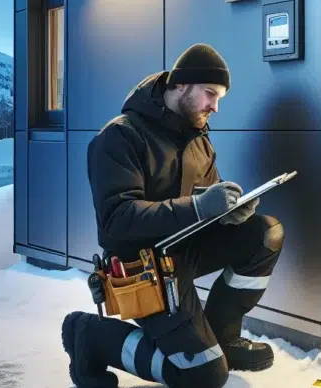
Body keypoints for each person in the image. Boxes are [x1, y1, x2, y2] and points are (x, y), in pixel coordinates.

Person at [61, 43, 283, 388]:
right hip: (142, 266)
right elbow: (117, 219)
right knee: (204, 375)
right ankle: (90, 336)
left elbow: (207, 197)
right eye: (210, 94)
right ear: (181, 84)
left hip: (185, 251)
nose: (215, 107)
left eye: (219, 98)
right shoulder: (119, 136)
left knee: (265, 233)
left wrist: (229, 212)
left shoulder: (197, 138)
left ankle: (223, 337)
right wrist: (198, 207)